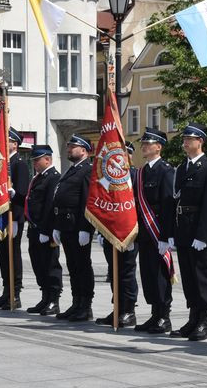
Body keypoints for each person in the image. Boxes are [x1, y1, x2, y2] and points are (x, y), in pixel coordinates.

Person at [169, 123, 207, 341]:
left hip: (198, 232)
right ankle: (193, 318)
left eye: (189, 139)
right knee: (189, 278)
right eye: (184, 138)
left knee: (202, 277)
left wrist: (203, 235)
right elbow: (176, 201)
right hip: (183, 229)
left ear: (200, 141)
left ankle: (204, 320)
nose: (185, 142)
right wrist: (173, 231)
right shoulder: (182, 168)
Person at [133, 127, 176, 335]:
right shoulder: (141, 172)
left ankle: (163, 316)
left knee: (160, 276)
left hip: (157, 232)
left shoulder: (166, 171)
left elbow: (168, 205)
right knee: (148, 275)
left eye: (148, 144)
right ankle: (154, 313)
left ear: (158, 147)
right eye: (143, 143)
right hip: (144, 232)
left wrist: (166, 236)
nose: (144, 146)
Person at [53, 135, 95, 321]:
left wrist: (86, 228)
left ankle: (86, 306)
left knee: (82, 266)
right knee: (73, 266)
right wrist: (58, 226)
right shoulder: (73, 170)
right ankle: (76, 302)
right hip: (67, 225)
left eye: (73, 147)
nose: (69, 149)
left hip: (78, 226)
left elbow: (88, 200)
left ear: (84, 150)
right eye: (69, 146)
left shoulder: (87, 170)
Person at [96, 142, 139, 327]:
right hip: (110, 232)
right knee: (113, 272)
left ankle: (129, 311)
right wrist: (101, 229)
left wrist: (133, 232)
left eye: (125, 155)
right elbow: (102, 203)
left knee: (126, 273)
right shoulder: (107, 179)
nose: (121, 160)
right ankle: (118, 308)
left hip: (129, 232)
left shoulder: (136, 176)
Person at [0, 128, 32, 309]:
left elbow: (22, 192)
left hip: (13, 216)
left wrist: (16, 218)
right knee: (3, 255)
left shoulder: (19, 163)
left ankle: (15, 294)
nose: (3, 144)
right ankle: (6, 291)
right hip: (1, 215)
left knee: (12, 255)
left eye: (7, 141)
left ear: (15, 144)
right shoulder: (2, 163)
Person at [24, 144, 63, 315]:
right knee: (38, 264)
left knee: (50, 265)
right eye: (33, 160)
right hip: (34, 229)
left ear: (47, 159)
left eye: (37, 160)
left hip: (45, 230)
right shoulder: (39, 178)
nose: (34, 164)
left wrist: (46, 231)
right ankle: (45, 297)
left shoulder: (53, 177)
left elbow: (49, 206)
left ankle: (54, 300)